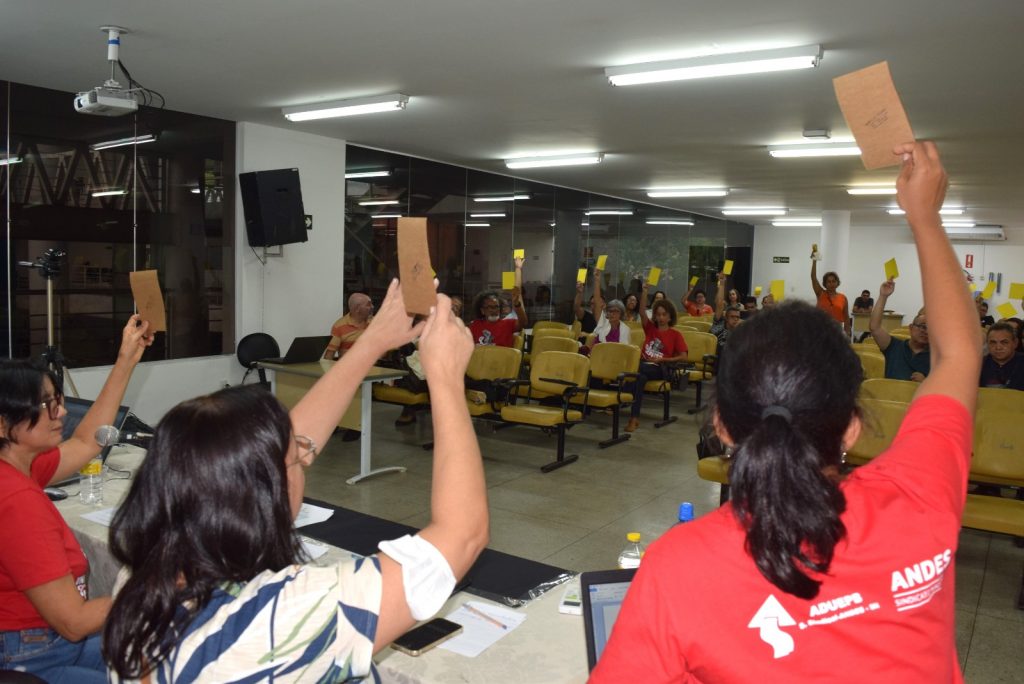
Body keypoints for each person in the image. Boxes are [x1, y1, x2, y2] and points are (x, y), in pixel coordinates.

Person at [593, 141, 980, 682]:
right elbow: (960, 354)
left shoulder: (678, 567)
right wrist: (925, 217)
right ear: (850, 427)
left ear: (722, 427)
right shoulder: (917, 501)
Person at [103, 282, 489, 683]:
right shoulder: (283, 617)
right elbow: (461, 535)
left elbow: (294, 440)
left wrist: (371, 342)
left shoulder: (146, 576)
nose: (306, 455)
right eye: (295, 463)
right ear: (259, 493)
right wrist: (445, 378)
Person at [0, 316, 153, 683]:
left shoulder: (20, 467)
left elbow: (88, 441)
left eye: (58, 400)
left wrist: (126, 359)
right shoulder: (16, 500)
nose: (62, 413)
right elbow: (74, 621)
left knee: (157, 660)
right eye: (46, 406)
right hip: (34, 653)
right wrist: (157, 594)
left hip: (46, 640)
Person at [628, 283, 688, 432]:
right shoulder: (650, 328)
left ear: (670, 317)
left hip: (661, 368)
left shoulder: (675, 335)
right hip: (644, 367)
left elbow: (684, 357)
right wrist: (645, 292)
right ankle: (634, 418)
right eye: (658, 314)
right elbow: (642, 312)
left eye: (664, 315)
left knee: (637, 369)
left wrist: (663, 360)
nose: (660, 317)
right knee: (640, 377)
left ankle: (624, 390)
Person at [870, 279, 930, 381]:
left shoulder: (936, 357)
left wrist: (926, 382)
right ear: (911, 328)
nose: (925, 331)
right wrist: (883, 296)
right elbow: (875, 328)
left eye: (930, 329)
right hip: (889, 395)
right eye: (922, 326)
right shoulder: (895, 347)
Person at [469, 257, 526, 346]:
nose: (493, 310)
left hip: (502, 359)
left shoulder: (508, 324)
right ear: (482, 310)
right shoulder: (475, 325)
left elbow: (523, 322)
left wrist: (517, 304)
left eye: (496, 306)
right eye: (489, 307)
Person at [810, 249, 852, 337]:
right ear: (825, 284)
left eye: (833, 281)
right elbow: (813, 277)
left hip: (837, 332)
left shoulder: (843, 298)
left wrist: (847, 333)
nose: (831, 284)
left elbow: (846, 317)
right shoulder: (820, 293)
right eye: (828, 282)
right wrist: (814, 260)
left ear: (837, 282)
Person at [324, 292, 374, 360]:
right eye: (368, 304)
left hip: (374, 368)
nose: (372, 306)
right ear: (357, 309)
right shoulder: (339, 326)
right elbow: (329, 355)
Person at [979, 322, 1024, 390]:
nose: (998, 347)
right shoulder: (978, 365)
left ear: (1015, 343)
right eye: (993, 342)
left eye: (1004, 342)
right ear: (987, 344)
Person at [709, 273, 743, 360]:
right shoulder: (718, 323)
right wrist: (722, 283)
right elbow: (719, 303)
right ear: (726, 318)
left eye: (737, 317)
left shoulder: (739, 331)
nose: (735, 319)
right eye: (732, 317)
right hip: (716, 358)